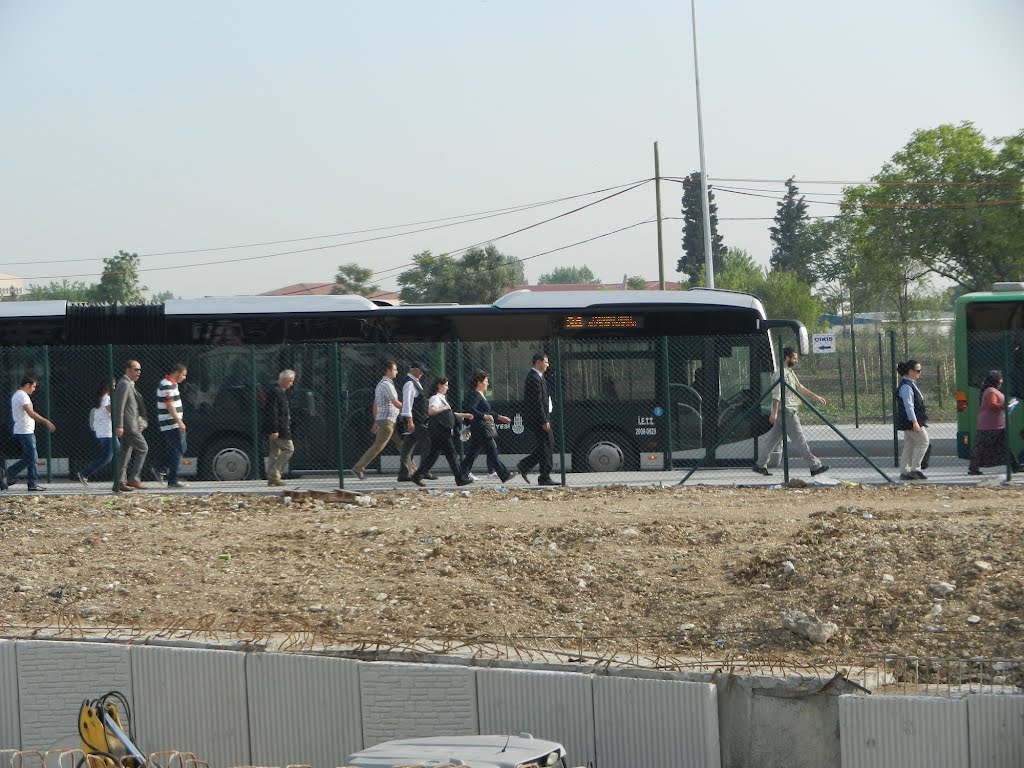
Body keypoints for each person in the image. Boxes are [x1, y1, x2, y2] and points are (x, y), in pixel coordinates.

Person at [752, 347, 829, 477]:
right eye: (794, 358)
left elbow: (800, 388)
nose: (796, 361)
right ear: (787, 358)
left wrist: (816, 397)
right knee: (800, 440)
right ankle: (815, 466)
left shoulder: (789, 373)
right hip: (787, 412)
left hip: (785, 412)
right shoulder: (781, 374)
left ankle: (760, 465)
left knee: (772, 441)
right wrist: (774, 412)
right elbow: (777, 394)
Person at [412, 377, 475, 486]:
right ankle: (459, 478)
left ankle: (417, 475)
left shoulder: (442, 398)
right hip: (441, 432)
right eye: (445, 385)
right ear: (439, 385)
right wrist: (445, 408)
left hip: (439, 432)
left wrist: (464, 415)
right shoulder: (435, 398)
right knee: (452, 455)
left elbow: (448, 414)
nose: (447, 387)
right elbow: (431, 411)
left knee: (433, 455)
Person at [352, 360, 410, 479]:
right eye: (394, 369)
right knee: (379, 445)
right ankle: (358, 467)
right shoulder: (387, 384)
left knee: (401, 444)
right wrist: (408, 409)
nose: (397, 372)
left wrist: (376, 420)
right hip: (388, 421)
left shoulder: (380, 385)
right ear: (388, 371)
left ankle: (412, 469)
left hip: (387, 420)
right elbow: (395, 402)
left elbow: (375, 404)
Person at [459, 370, 514, 483]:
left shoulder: (480, 395)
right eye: (486, 381)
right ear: (479, 382)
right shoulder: (475, 394)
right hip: (481, 428)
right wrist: (484, 416)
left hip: (480, 428)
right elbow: (471, 409)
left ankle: (461, 475)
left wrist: (499, 417)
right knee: (492, 451)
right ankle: (504, 474)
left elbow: (487, 411)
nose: (487, 384)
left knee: (472, 454)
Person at [7, 377, 56, 492]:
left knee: (31, 458)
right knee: (32, 458)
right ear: (27, 385)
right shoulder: (22, 396)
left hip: (25, 430)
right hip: (25, 431)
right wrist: (46, 421)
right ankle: (7, 473)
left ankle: (32, 483)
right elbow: (31, 413)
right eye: (33, 386)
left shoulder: (18, 395)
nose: (34, 389)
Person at [517, 352, 559, 485]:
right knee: (547, 445)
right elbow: (537, 402)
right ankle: (544, 476)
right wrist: (543, 420)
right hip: (539, 419)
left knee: (546, 445)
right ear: (538, 362)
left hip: (543, 417)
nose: (548, 365)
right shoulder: (533, 378)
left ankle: (525, 465)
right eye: (546, 362)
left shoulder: (539, 377)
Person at [967, 369, 1018, 475]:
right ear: (995, 380)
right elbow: (992, 405)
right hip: (989, 424)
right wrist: (1005, 406)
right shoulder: (990, 391)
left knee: (1003, 445)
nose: (1002, 381)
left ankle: (1015, 465)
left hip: (996, 423)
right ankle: (973, 468)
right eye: (1000, 379)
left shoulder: (991, 390)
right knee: (981, 446)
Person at [113, 359, 149, 491]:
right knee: (143, 448)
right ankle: (134, 479)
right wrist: (119, 425)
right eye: (136, 369)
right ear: (128, 370)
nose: (138, 372)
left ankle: (120, 482)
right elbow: (120, 406)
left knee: (125, 453)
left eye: (139, 370)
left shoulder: (129, 384)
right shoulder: (125, 384)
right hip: (129, 426)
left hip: (130, 424)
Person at [152, 363, 188, 488]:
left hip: (172, 422)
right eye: (183, 375)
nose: (184, 378)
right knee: (178, 449)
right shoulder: (166, 385)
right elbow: (169, 405)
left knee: (177, 449)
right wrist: (179, 421)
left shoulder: (173, 385)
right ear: (177, 373)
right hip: (171, 423)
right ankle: (171, 477)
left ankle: (162, 469)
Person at [397, 361, 433, 482]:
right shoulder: (409, 384)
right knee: (427, 443)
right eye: (421, 370)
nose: (422, 373)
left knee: (408, 447)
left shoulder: (415, 383)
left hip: (416, 420)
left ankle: (404, 473)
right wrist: (410, 421)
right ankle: (423, 470)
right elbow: (407, 403)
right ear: (414, 370)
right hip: (416, 421)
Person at [895, 359, 929, 481]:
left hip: (910, 420)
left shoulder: (910, 384)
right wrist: (914, 421)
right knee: (924, 442)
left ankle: (905, 471)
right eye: (918, 370)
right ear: (910, 371)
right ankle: (915, 469)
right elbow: (908, 405)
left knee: (910, 444)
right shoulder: (906, 387)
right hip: (911, 421)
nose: (920, 373)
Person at [78, 380, 113, 486]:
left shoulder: (100, 399)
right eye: (114, 386)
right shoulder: (106, 398)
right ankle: (84, 473)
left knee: (119, 451)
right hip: (107, 432)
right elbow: (111, 410)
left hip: (104, 431)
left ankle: (121, 477)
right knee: (107, 457)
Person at [265, 369, 296, 487]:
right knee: (289, 449)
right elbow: (273, 412)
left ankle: (273, 478)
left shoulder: (275, 391)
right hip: (280, 428)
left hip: (275, 427)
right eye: (290, 381)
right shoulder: (277, 392)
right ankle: (274, 473)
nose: (291, 384)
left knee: (275, 452)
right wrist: (275, 429)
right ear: (284, 380)